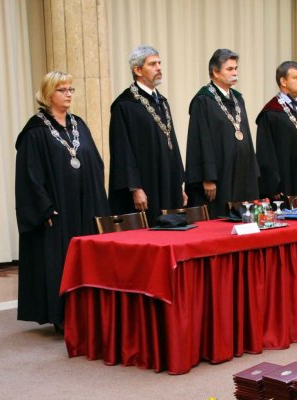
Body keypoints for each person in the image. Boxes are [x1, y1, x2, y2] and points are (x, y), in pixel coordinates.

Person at [15, 71, 109, 330]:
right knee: (60, 259)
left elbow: (95, 162)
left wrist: (97, 200)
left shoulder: (78, 124)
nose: (68, 94)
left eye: (70, 89)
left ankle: (87, 311)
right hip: (58, 208)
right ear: (48, 95)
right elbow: (29, 174)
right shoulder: (35, 130)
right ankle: (62, 315)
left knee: (87, 257)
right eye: (62, 90)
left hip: (84, 205)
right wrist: (44, 207)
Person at [109, 45, 185, 226]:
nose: (159, 67)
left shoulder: (162, 102)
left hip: (167, 181)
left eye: (159, 63)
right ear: (137, 70)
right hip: (145, 184)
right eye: (152, 64)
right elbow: (122, 150)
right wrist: (135, 188)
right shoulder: (125, 104)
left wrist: (179, 184)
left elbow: (171, 141)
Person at [185, 48, 259, 218]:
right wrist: (208, 177)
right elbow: (200, 140)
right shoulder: (203, 100)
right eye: (229, 69)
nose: (235, 73)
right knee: (221, 218)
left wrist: (253, 171)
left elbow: (245, 135)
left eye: (236, 68)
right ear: (215, 72)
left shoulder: (238, 98)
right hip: (219, 173)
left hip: (241, 170)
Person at [255, 61, 297, 200]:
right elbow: (265, 153)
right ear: (283, 81)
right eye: (296, 78)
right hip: (284, 182)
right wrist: (272, 186)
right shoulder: (271, 113)